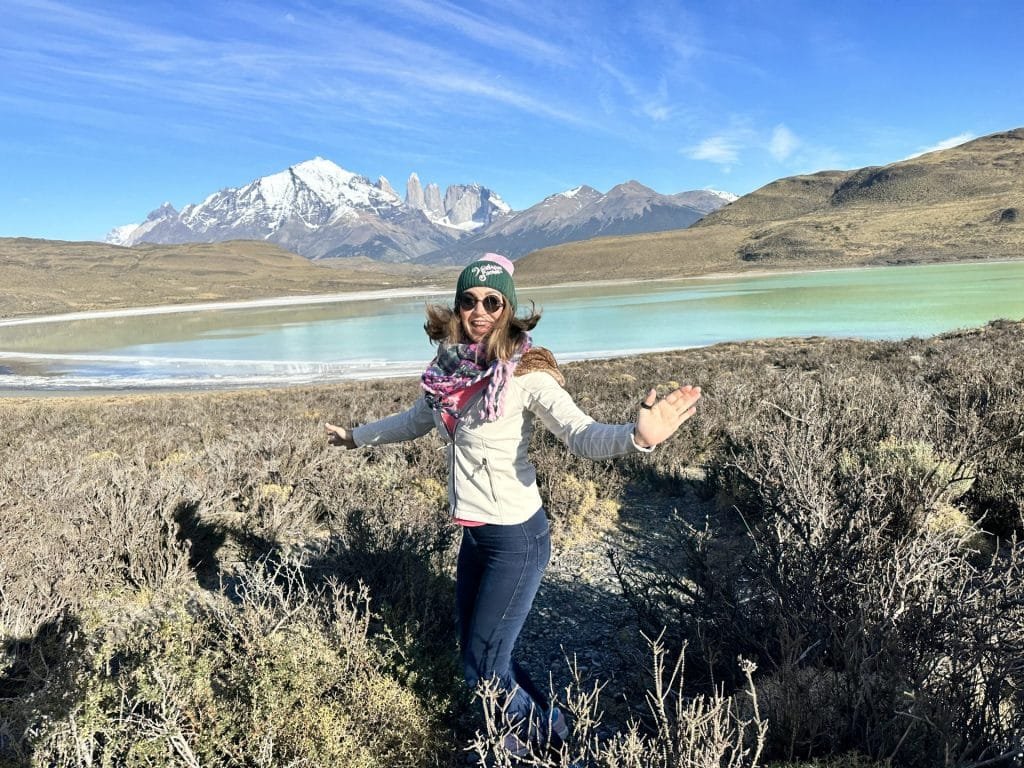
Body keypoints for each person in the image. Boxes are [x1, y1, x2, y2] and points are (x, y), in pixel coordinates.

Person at [325, 253, 701, 754]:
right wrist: (356, 437)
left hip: (516, 539)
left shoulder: (525, 375)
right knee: (480, 654)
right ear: (457, 309)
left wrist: (638, 437)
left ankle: (551, 747)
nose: (479, 311)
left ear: (508, 309)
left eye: (492, 301)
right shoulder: (446, 371)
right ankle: (544, 730)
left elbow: (580, 435)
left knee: (483, 665)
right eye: (469, 300)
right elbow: (415, 419)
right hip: (476, 535)